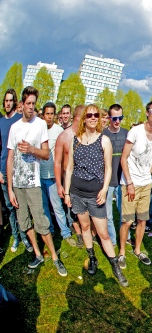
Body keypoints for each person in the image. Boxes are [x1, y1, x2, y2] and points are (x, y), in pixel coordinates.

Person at [64, 104, 128, 286]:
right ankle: (92, 258)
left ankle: (116, 268)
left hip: (95, 194)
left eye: (96, 115)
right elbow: (69, 168)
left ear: (99, 118)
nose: (93, 117)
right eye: (89, 115)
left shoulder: (104, 140)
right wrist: (68, 192)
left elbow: (108, 168)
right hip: (77, 192)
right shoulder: (74, 140)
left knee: (104, 234)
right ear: (84, 118)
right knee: (85, 228)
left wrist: (104, 189)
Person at [6, 86, 67, 276]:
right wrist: (9, 189)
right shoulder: (14, 127)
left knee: (41, 221)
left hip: (33, 183)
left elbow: (46, 154)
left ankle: (56, 259)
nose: (31, 107)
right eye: (28, 103)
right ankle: (39, 254)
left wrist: (32, 149)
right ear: (22, 105)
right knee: (24, 223)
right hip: (17, 184)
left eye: (34, 103)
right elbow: (10, 158)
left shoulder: (40, 124)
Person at [118, 99, 152, 268]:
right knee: (128, 221)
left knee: (142, 220)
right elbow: (124, 158)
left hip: (147, 184)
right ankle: (122, 252)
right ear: (147, 112)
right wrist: (129, 182)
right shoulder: (135, 131)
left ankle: (137, 250)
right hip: (131, 183)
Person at [39, 102, 76, 246]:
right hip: (39, 176)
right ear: (43, 115)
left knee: (57, 207)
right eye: (46, 114)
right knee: (44, 207)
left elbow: (61, 157)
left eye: (51, 114)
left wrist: (60, 176)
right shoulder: (38, 129)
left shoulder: (58, 130)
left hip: (53, 176)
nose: (49, 117)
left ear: (55, 115)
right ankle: (50, 229)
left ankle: (65, 232)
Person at [0, 89, 31, 253]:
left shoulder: (20, 120)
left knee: (21, 206)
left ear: (15, 102)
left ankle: (25, 236)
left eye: (11, 100)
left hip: (19, 170)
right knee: (10, 207)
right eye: (6, 101)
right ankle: (16, 237)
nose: (8, 103)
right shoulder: (0, 122)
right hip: (4, 170)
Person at [54, 106, 84, 247]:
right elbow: (58, 162)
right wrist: (59, 185)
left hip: (84, 179)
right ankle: (78, 233)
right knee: (71, 208)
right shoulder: (64, 136)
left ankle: (86, 231)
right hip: (69, 179)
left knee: (84, 208)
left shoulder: (88, 135)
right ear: (78, 118)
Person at [102, 104, 128, 246]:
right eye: (114, 118)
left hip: (122, 179)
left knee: (123, 211)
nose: (117, 121)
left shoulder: (127, 133)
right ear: (109, 118)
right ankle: (112, 238)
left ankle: (126, 236)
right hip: (108, 180)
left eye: (120, 118)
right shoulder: (103, 134)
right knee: (108, 214)